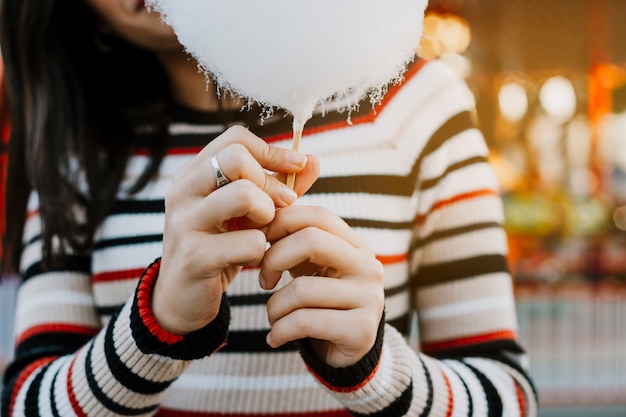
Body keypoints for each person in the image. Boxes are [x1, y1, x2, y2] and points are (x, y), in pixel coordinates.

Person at [0, 1, 537, 416]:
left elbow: (507, 397)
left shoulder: (418, 107)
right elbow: (24, 401)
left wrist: (372, 366)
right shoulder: (78, 145)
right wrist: (155, 325)